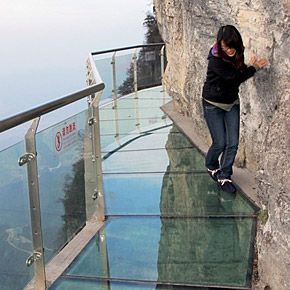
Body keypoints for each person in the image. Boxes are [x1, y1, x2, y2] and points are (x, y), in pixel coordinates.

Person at [202, 25, 267, 193]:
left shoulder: (238, 52)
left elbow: (238, 71)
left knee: (233, 143)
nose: (230, 50)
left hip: (231, 102)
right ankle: (211, 164)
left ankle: (224, 176)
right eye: (226, 47)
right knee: (220, 143)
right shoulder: (215, 59)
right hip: (213, 103)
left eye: (232, 46)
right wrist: (254, 68)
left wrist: (247, 67)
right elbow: (233, 77)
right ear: (220, 45)